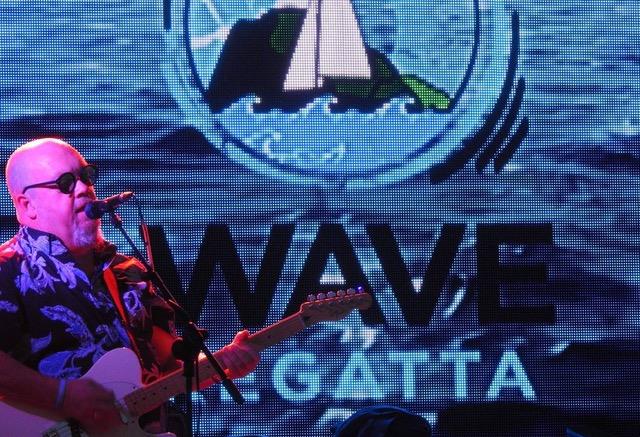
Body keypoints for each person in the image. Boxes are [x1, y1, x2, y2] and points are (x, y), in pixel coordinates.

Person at [0, 138, 260, 435]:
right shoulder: (7, 271)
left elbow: (169, 366)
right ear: (27, 205)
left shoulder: (128, 273)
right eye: (66, 182)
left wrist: (223, 365)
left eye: (87, 176)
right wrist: (63, 396)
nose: (85, 188)